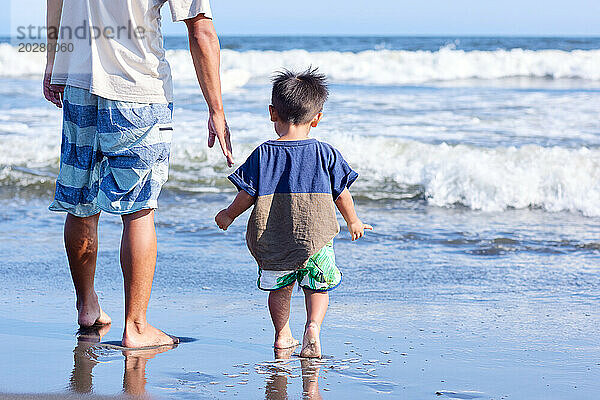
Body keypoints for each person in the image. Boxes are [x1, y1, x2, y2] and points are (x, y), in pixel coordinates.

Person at [43, 0, 233, 348]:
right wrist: (216, 110)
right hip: (136, 90)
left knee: (81, 201)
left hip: (77, 83)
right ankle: (136, 326)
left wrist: (53, 64)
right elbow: (200, 29)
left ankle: (87, 307)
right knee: (138, 209)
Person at [215, 68, 372, 358]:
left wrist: (228, 214)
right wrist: (353, 220)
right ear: (317, 118)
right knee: (318, 287)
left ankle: (282, 335)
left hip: (275, 239)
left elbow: (246, 194)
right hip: (317, 238)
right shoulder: (326, 152)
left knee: (280, 289)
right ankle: (312, 327)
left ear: (273, 113)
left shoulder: (264, 153)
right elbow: (342, 193)